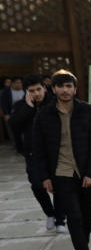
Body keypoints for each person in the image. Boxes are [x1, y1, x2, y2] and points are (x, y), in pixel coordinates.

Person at [30, 69, 91, 250]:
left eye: (68, 86)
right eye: (60, 86)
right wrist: (44, 177)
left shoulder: (86, 111)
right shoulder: (44, 115)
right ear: (53, 89)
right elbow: (39, 150)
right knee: (74, 216)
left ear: (75, 89)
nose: (65, 90)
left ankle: (82, 244)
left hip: (85, 174)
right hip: (61, 173)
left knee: (88, 216)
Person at [9, 73, 64, 233]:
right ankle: (50, 213)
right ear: (27, 92)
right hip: (33, 154)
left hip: (55, 153)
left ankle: (61, 220)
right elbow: (14, 124)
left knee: (59, 186)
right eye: (31, 91)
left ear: (45, 88)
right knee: (37, 186)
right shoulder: (21, 106)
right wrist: (28, 108)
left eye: (38, 89)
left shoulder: (55, 103)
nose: (36, 93)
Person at [2, 76, 25, 152]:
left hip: (23, 114)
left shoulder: (25, 90)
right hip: (11, 114)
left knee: (24, 131)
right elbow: (3, 103)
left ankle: (24, 145)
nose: (19, 84)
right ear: (12, 84)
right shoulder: (6, 91)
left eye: (21, 83)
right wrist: (6, 114)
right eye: (17, 83)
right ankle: (15, 146)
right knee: (12, 131)